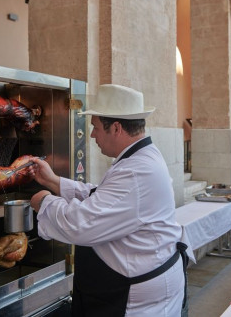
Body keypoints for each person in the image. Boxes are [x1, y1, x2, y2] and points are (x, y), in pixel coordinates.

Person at [27, 84, 188, 316]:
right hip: (145, 280)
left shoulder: (135, 171)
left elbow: (82, 225)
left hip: (134, 297)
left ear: (116, 128)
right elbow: (105, 197)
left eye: (95, 127)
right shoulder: (142, 157)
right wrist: (55, 182)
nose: (92, 135)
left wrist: (44, 202)